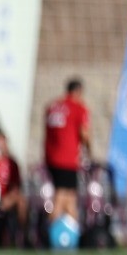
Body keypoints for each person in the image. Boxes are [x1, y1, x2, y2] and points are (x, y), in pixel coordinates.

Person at [43, 78, 91, 227]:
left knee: (70, 197)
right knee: (62, 196)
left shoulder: (52, 107)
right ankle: (50, 233)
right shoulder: (78, 107)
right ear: (78, 91)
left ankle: (72, 234)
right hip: (67, 158)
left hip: (51, 158)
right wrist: (89, 150)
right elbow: (84, 134)